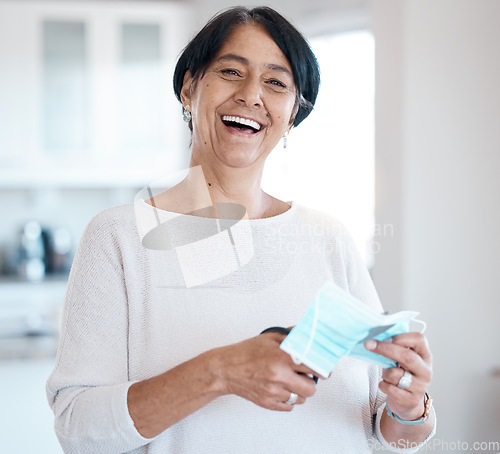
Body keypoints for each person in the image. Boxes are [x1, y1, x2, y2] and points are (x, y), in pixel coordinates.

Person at [46, 6, 436, 453]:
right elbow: (78, 431)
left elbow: (389, 435)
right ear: (190, 87)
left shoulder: (328, 238)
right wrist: (219, 371)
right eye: (231, 71)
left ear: (293, 114)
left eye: (276, 82)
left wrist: (409, 406)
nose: (252, 95)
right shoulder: (119, 237)